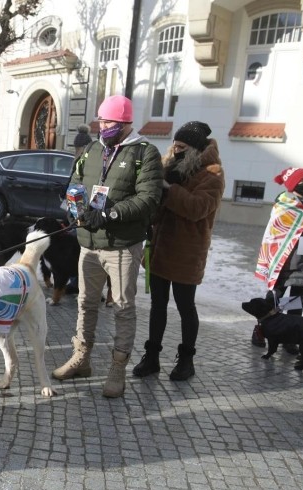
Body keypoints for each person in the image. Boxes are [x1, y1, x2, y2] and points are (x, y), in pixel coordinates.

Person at [52, 95, 163, 398]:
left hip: (123, 246)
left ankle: (117, 369)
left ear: (125, 123)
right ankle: (81, 358)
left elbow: (149, 198)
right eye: (100, 120)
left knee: (123, 308)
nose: (103, 126)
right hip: (88, 243)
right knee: (86, 304)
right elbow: (76, 180)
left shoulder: (145, 153)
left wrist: (109, 213)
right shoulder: (92, 149)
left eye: (109, 122)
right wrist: (74, 205)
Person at [131, 121, 225, 381]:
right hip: (161, 247)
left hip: (188, 251)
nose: (175, 149)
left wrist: (169, 190)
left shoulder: (212, 173)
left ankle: (186, 360)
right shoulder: (168, 165)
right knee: (157, 304)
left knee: (186, 306)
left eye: (182, 146)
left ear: (195, 149)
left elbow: (198, 208)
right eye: (174, 144)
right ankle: (152, 357)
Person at [251, 167, 303, 352]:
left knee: (296, 302)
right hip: (283, 262)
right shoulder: (284, 204)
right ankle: (260, 329)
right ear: (293, 185)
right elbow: (275, 233)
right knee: (273, 300)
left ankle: (290, 337)